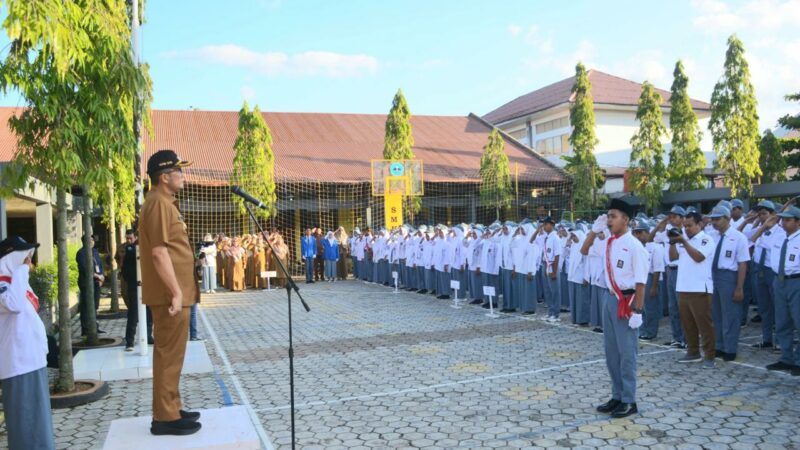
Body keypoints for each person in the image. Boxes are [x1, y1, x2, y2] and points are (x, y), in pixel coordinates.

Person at [139, 149, 201, 436]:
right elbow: (159, 253)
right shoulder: (158, 204)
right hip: (169, 296)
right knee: (168, 354)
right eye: (178, 172)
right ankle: (164, 417)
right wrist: (176, 292)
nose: (183, 176)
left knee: (174, 355)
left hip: (175, 294)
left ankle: (172, 407)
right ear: (164, 177)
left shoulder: (164, 202)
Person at [582, 199, 648, 419]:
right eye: (608, 216)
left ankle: (629, 400)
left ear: (626, 219)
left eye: (613, 216)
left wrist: (638, 311)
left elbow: (640, 282)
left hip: (627, 302)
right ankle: (617, 395)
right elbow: (584, 249)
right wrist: (594, 230)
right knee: (611, 353)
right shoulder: (609, 242)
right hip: (609, 299)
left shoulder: (635, 246)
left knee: (627, 353)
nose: (609, 220)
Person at [0, 236, 56, 450]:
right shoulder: (4, 285)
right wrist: (21, 270)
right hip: (18, 365)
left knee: (38, 423)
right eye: (25, 257)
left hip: (32, 361)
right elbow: (14, 305)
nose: (29, 262)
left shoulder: (16, 283)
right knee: (25, 424)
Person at [669, 211, 716, 368]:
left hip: (700, 289)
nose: (687, 229)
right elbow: (672, 257)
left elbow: (698, 257)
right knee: (688, 324)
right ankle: (693, 351)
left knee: (704, 325)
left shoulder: (706, 239)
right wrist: (673, 242)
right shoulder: (684, 240)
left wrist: (684, 241)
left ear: (700, 225)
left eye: (690, 225)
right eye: (685, 226)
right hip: (683, 287)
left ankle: (710, 355)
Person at [708, 205, 749, 361]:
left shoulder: (738, 237)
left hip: (729, 276)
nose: (714, 222)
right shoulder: (712, 236)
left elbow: (743, 263)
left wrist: (739, 287)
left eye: (718, 219)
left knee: (730, 314)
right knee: (716, 314)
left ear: (728, 218)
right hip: (713, 275)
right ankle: (719, 346)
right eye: (713, 219)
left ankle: (730, 348)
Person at [766, 205, 800, 375]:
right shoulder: (778, 237)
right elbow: (753, 238)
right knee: (782, 321)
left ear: (798, 222)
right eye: (783, 220)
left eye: (788, 220)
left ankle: (798, 361)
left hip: (796, 282)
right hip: (778, 281)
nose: (784, 223)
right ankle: (786, 358)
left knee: (798, 321)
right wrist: (769, 222)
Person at [651, 206, 687, 348]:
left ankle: (686, 338)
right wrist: (665, 221)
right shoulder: (667, 232)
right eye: (670, 216)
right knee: (672, 307)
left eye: (674, 216)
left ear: (682, 218)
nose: (671, 219)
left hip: (681, 271)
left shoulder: (686, 233)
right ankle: (676, 337)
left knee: (682, 306)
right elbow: (653, 235)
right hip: (670, 270)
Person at [120, 230, 153, 351]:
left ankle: (148, 336)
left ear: (136, 237)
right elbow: (123, 268)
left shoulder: (144, 247)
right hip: (134, 287)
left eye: (131, 238)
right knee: (133, 314)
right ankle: (129, 342)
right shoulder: (127, 249)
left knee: (149, 313)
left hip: (147, 286)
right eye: (127, 238)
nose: (129, 241)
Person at [634, 220, 664, 341]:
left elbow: (657, 268)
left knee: (651, 307)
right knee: (642, 306)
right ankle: (643, 330)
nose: (637, 235)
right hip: (641, 278)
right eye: (636, 233)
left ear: (647, 232)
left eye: (640, 232)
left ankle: (651, 332)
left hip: (651, 278)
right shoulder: (639, 247)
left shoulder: (656, 247)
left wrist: (654, 286)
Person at [76, 234, 105, 336]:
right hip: (86, 283)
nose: (92, 242)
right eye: (89, 240)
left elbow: (100, 265)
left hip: (97, 282)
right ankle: (85, 329)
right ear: (84, 242)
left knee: (95, 305)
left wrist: (102, 276)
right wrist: (97, 276)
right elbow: (85, 268)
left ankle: (94, 327)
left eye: (93, 240)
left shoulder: (95, 252)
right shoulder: (81, 253)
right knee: (86, 306)